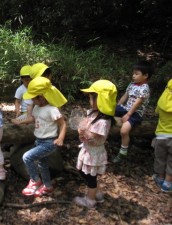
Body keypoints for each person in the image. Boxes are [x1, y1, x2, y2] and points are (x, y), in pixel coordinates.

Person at [11, 76, 67, 197]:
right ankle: (48, 186)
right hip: (39, 141)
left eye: (33, 97)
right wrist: (20, 122)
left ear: (41, 98)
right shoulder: (37, 107)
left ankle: (35, 180)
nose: (31, 100)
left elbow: (63, 124)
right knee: (43, 164)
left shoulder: (52, 110)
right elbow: (32, 118)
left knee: (27, 157)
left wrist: (60, 138)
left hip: (49, 142)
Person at [74, 80, 117, 209]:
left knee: (89, 176)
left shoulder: (104, 120)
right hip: (88, 150)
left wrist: (84, 132)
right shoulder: (93, 113)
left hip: (94, 152)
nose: (89, 99)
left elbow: (93, 136)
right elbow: (84, 126)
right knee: (85, 173)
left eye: (92, 96)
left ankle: (90, 200)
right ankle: (97, 193)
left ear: (102, 100)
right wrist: (80, 128)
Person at [113, 60, 154, 163]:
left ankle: (123, 151)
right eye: (133, 73)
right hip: (126, 108)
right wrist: (117, 107)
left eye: (136, 74)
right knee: (109, 110)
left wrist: (128, 115)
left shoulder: (145, 88)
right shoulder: (132, 84)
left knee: (124, 130)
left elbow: (137, 103)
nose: (133, 76)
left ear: (145, 76)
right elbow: (125, 96)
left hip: (135, 113)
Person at [152, 79, 172, 192]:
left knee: (160, 158)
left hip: (161, 136)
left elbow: (157, 111)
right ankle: (167, 184)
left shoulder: (162, 100)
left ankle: (160, 178)